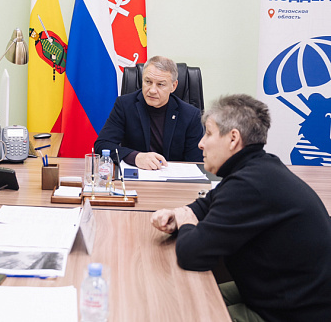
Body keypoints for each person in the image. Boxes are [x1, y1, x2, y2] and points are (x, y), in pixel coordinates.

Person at [150, 94, 331, 321]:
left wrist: (186, 222)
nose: (201, 143)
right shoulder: (260, 167)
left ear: (233, 138)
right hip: (281, 291)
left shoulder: (249, 185)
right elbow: (207, 204)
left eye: (208, 133)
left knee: (182, 313)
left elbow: (192, 255)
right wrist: (177, 214)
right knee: (175, 298)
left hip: (292, 312)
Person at [94, 56, 203, 170]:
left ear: (173, 86)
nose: (152, 90)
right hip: (136, 178)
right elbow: (102, 145)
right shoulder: (125, 105)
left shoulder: (190, 115)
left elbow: (196, 162)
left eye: (160, 84)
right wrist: (135, 157)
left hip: (173, 181)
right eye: (148, 82)